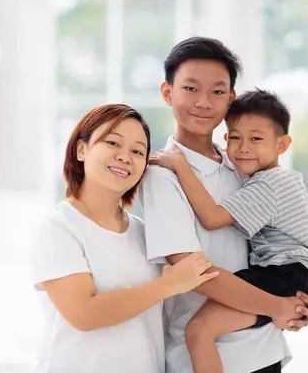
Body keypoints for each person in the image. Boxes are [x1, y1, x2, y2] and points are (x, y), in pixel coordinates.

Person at [140, 37, 308, 373]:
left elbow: (284, 246)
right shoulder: (162, 176)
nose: (203, 102)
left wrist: (301, 302)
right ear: (168, 93)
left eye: (216, 91)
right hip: (209, 356)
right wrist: (279, 305)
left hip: (263, 348)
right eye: (191, 89)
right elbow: (193, 272)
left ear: (231, 99)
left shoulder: (243, 166)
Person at [30, 104, 219, 373]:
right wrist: (168, 285)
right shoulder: (60, 228)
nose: (125, 157)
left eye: (137, 151)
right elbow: (84, 314)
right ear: (81, 150)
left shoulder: (144, 233)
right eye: (113, 143)